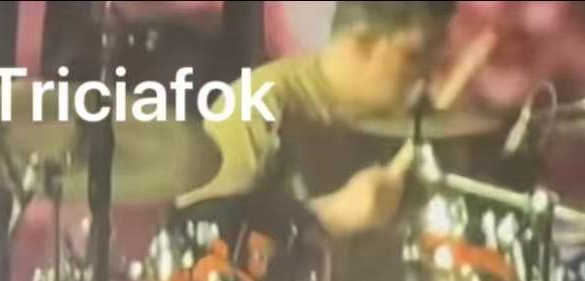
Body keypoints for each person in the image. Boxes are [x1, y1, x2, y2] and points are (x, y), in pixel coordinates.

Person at [175, 0, 457, 241]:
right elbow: (202, 239)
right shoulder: (257, 105)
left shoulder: (405, 120)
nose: (426, 75)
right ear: (363, 43)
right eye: (413, 56)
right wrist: (330, 216)